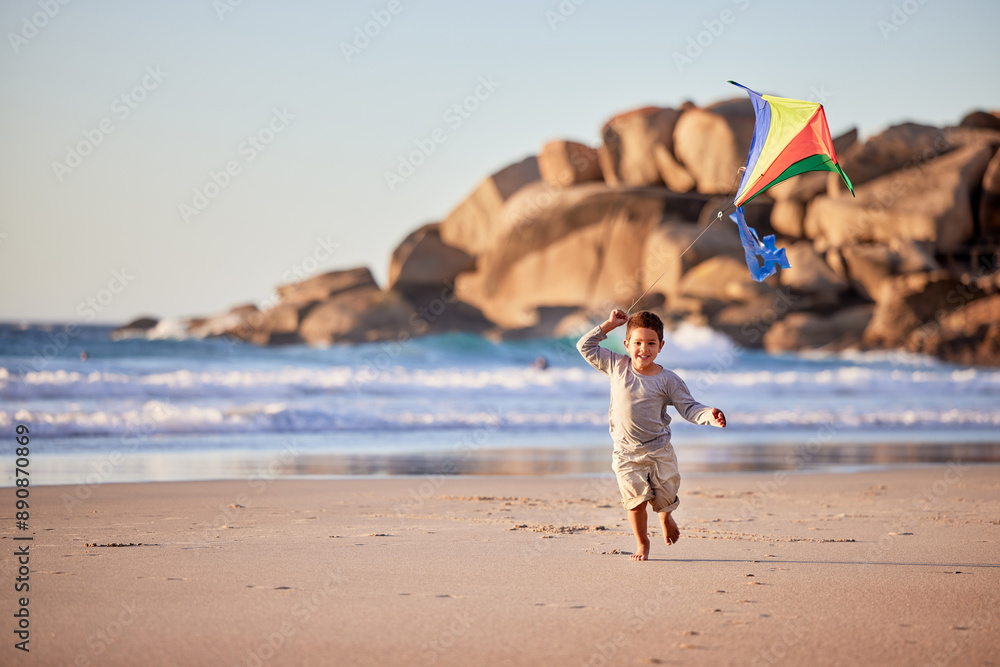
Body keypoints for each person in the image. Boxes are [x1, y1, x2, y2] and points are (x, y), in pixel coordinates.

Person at [577, 308, 726, 561]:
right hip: (625, 452)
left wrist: (710, 415)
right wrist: (610, 325)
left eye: (650, 343)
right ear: (626, 344)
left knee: (665, 497)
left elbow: (689, 408)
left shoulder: (668, 380)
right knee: (635, 501)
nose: (643, 349)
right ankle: (642, 543)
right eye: (637, 343)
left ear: (661, 346)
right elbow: (585, 346)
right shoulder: (616, 365)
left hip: (659, 450)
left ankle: (666, 516)